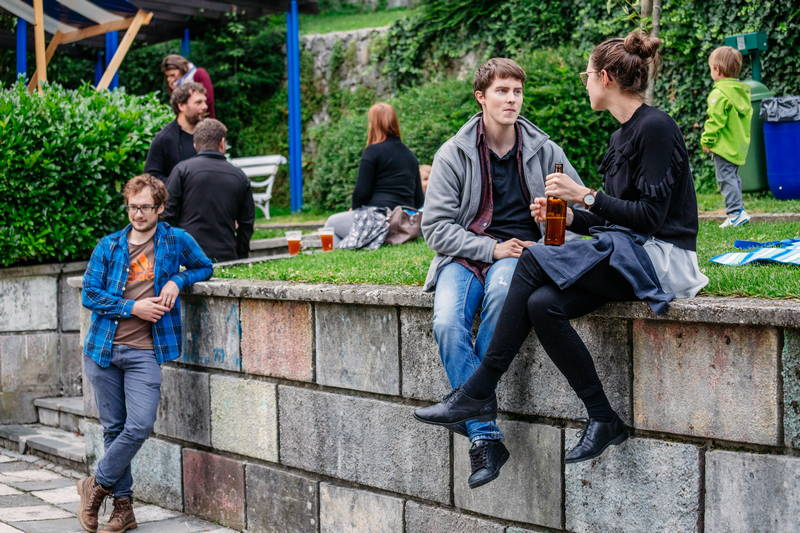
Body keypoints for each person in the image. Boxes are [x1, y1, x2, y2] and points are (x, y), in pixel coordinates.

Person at [415, 31, 709, 466]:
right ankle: (603, 417)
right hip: (629, 249)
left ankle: (477, 390)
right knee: (542, 304)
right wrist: (572, 217)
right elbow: (615, 219)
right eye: (503, 91)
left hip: (663, 259)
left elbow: (650, 217)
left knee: (533, 257)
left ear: (605, 78)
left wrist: (584, 196)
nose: (585, 82)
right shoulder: (622, 135)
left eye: (587, 75)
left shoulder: (656, 127)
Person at [417, 58, 583, 489]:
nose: (512, 100)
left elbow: (579, 212)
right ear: (481, 97)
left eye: (517, 92)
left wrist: (550, 226)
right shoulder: (453, 153)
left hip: (520, 256)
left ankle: (480, 434)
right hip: (466, 255)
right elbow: (436, 229)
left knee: (500, 298)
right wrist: (489, 247)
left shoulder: (546, 151)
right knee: (447, 323)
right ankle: (485, 432)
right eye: (502, 91)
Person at [77, 174, 212, 533]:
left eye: (145, 207)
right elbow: (89, 294)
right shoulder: (109, 245)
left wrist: (177, 280)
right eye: (133, 207)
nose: (138, 214)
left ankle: (95, 485)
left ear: (160, 208)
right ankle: (123, 510)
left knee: (138, 426)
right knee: (114, 428)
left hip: (145, 351)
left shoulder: (175, 240)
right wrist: (132, 307)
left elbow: (205, 266)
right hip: (103, 350)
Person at [325, 102, 424, 245]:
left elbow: (361, 193)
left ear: (373, 124)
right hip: (403, 225)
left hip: (377, 221)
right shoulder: (410, 156)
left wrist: (354, 209)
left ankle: (338, 254)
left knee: (331, 224)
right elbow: (419, 200)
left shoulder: (372, 151)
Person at [163, 118, 255, 262]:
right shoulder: (239, 176)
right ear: (222, 143)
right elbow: (246, 223)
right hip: (226, 256)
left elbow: (167, 214)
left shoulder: (181, 170)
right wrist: (240, 256)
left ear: (195, 145)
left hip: (187, 258)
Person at [701, 46, 752, 228]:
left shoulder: (719, 94)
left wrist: (707, 140)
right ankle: (739, 211)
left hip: (724, 146)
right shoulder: (741, 92)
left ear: (717, 69)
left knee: (725, 179)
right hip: (737, 145)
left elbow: (715, 121)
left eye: (710, 68)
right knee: (733, 178)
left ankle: (735, 213)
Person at [144, 82, 208, 183]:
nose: (205, 106)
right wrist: (179, 185)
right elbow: (151, 177)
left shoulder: (208, 134)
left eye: (205, 102)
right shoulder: (164, 139)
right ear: (181, 106)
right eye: (198, 102)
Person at [161, 54, 216, 119]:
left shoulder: (199, 74)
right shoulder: (174, 84)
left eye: (172, 75)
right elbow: (177, 108)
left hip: (205, 119)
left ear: (182, 68)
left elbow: (208, 99)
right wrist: (175, 91)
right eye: (168, 76)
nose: (169, 79)